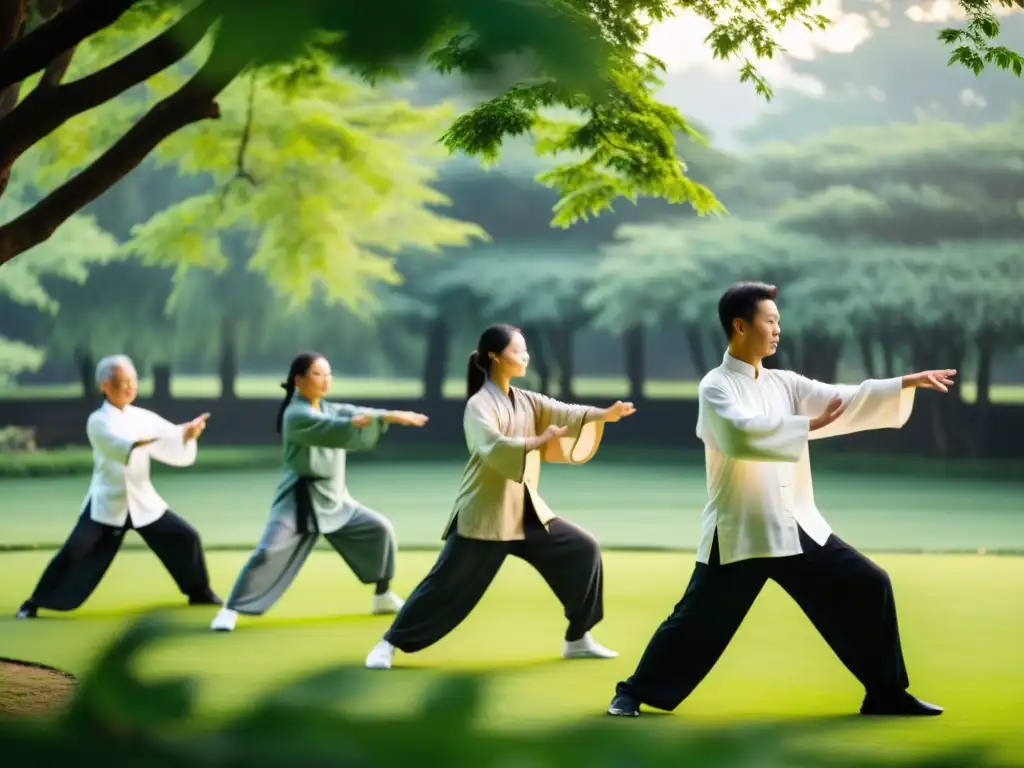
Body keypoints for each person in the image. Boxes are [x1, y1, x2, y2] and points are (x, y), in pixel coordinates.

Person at [607, 281, 954, 718]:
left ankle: (885, 692)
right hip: (741, 529)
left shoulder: (783, 382)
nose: (776, 331)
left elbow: (841, 397)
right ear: (739, 326)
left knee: (870, 584)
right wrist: (803, 426)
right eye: (769, 321)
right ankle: (631, 691)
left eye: (778, 322)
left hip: (795, 524)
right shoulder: (715, 387)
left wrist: (903, 383)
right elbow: (738, 433)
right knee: (695, 621)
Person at [364, 323, 637, 670]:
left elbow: (562, 411)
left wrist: (605, 414)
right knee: (445, 585)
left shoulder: (525, 399)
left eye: (525, 350)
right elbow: (491, 446)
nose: (525, 356)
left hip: (524, 511)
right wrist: (538, 441)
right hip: (485, 514)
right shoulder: (479, 405)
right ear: (494, 356)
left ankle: (578, 638)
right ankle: (389, 644)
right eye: (517, 350)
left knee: (582, 549)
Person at [209, 351, 428, 632]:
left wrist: (390, 416)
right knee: (268, 550)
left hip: (335, 499)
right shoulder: (296, 414)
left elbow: (352, 412)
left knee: (380, 529)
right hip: (297, 502)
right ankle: (230, 609)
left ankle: (382, 595)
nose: (325, 380)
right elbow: (331, 428)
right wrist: (353, 424)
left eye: (328, 374)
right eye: (317, 374)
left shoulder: (328, 407)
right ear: (298, 380)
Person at [16, 355, 219, 619]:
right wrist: (164, 435)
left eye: (132, 381)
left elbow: (169, 438)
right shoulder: (98, 421)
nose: (129, 387)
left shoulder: (142, 416)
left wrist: (186, 434)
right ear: (105, 386)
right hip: (106, 503)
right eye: (122, 382)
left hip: (143, 501)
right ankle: (34, 602)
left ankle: (199, 592)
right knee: (75, 550)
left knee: (185, 537)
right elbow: (118, 446)